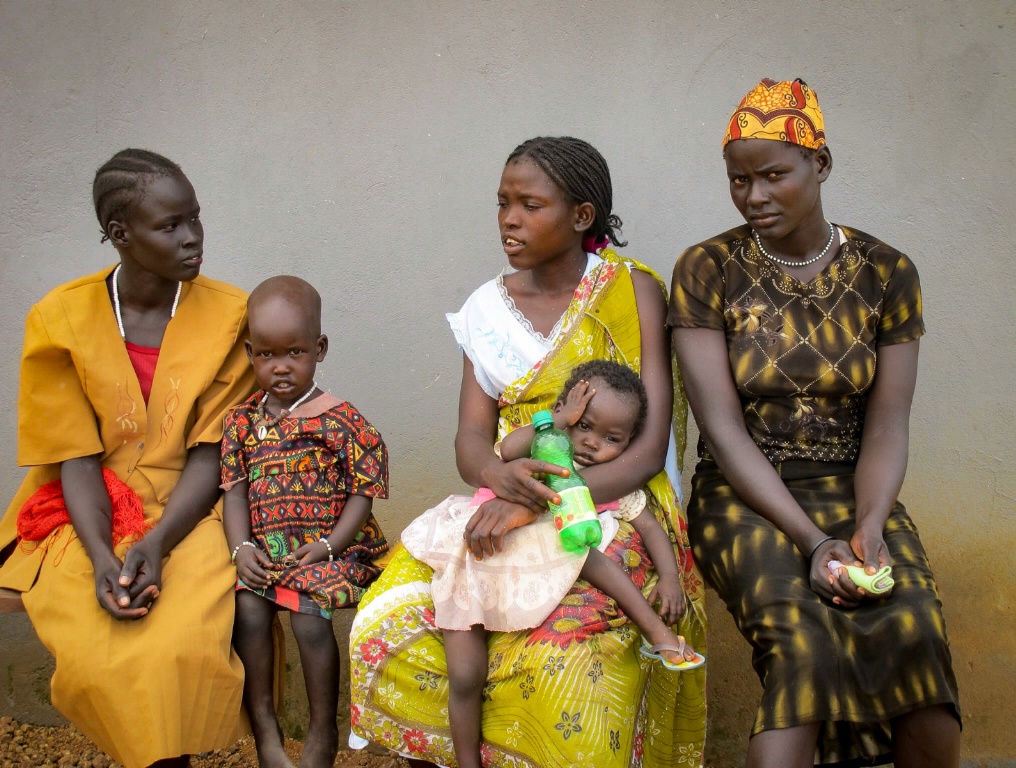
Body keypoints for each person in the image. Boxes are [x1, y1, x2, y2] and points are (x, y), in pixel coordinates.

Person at [349, 136, 707, 768]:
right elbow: (471, 440)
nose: (509, 220)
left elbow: (648, 448)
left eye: (530, 205)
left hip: (611, 496)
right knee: (390, 619)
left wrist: (542, 504)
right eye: (502, 203)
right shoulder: (486, 310)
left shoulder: (632, 294)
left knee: (565, 659)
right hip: (507, 489)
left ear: (581, 216)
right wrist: (500, 480)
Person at [669, 78, 961, 768]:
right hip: (743, 496)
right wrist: (810, 541)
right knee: (803, 642)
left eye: (773, 174)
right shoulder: (707, 269)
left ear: (819, 165)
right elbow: (722, 427)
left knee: (915, 629)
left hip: (855, 487)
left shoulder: (887, 273)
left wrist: (867, 526)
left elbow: (888, 426)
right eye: (739, 180)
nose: (755, 196)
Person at [0, 149, 254, 768]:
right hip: (83, 511)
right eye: (170, 226)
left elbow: (210, 453)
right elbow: (76, 460)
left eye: (195, 217)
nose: (193, 237)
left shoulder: (230, 315)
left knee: (177, 644)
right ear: (120, 235)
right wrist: (101, 561)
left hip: (195, 510)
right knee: (99, 643)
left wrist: (157, 545)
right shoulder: (61, 318)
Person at [402, 359, 702, 768]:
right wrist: (556, 422)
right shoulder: (540, 452)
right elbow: (505, 450)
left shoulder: (604, 485)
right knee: (465, 674)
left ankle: (658, 632)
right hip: (482, 557)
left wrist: (669, 576)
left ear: (629, 444)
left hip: (540, 568)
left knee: (583, 553)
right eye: (584, 426)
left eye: (612, 437)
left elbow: (648, 526)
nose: (593, 443)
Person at [220, 275, 390, 768]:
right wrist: (241, 548)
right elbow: (234, 491)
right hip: (261, 553)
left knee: (309, 618)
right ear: (250, 352)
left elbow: (364, 493)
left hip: (326, 549)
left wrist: (330, 546)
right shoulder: (240, 422)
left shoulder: (340, 420)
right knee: (247, 614)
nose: (280, 367)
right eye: (267, 354)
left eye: (294, 353)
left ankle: (321, 730)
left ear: (319, 349)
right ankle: (265, 729)